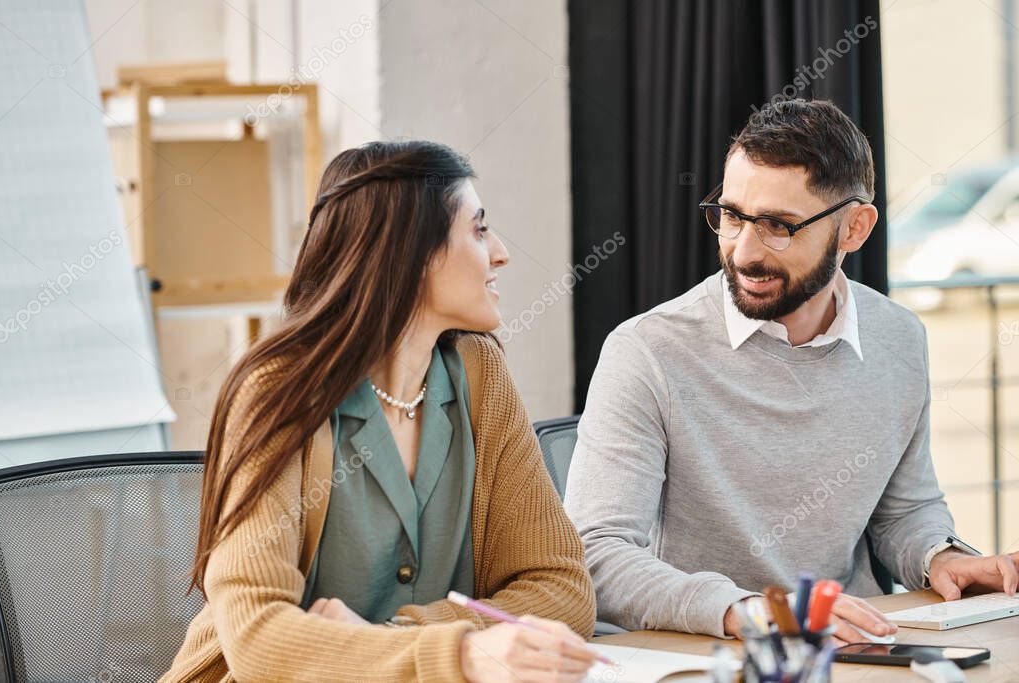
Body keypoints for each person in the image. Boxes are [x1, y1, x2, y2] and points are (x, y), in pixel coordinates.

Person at [564, 99, 1019, 644]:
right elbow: (597, 556)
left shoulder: (898, 338)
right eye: (731, 216)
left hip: (853, 647)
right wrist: (752, 612)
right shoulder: (647, 351)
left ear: (855, 228)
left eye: (778, 225)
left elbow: (904, 511)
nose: (744, 251)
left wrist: (939, 556)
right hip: (707, 651)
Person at [162, 140, 597, 682]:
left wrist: (394, 637)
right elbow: (257, 638)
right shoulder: (276, 393)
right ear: (411, 253)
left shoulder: (479, 374)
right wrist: (460, 654)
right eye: (479, 230)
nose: (501, 252)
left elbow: (561, 589)